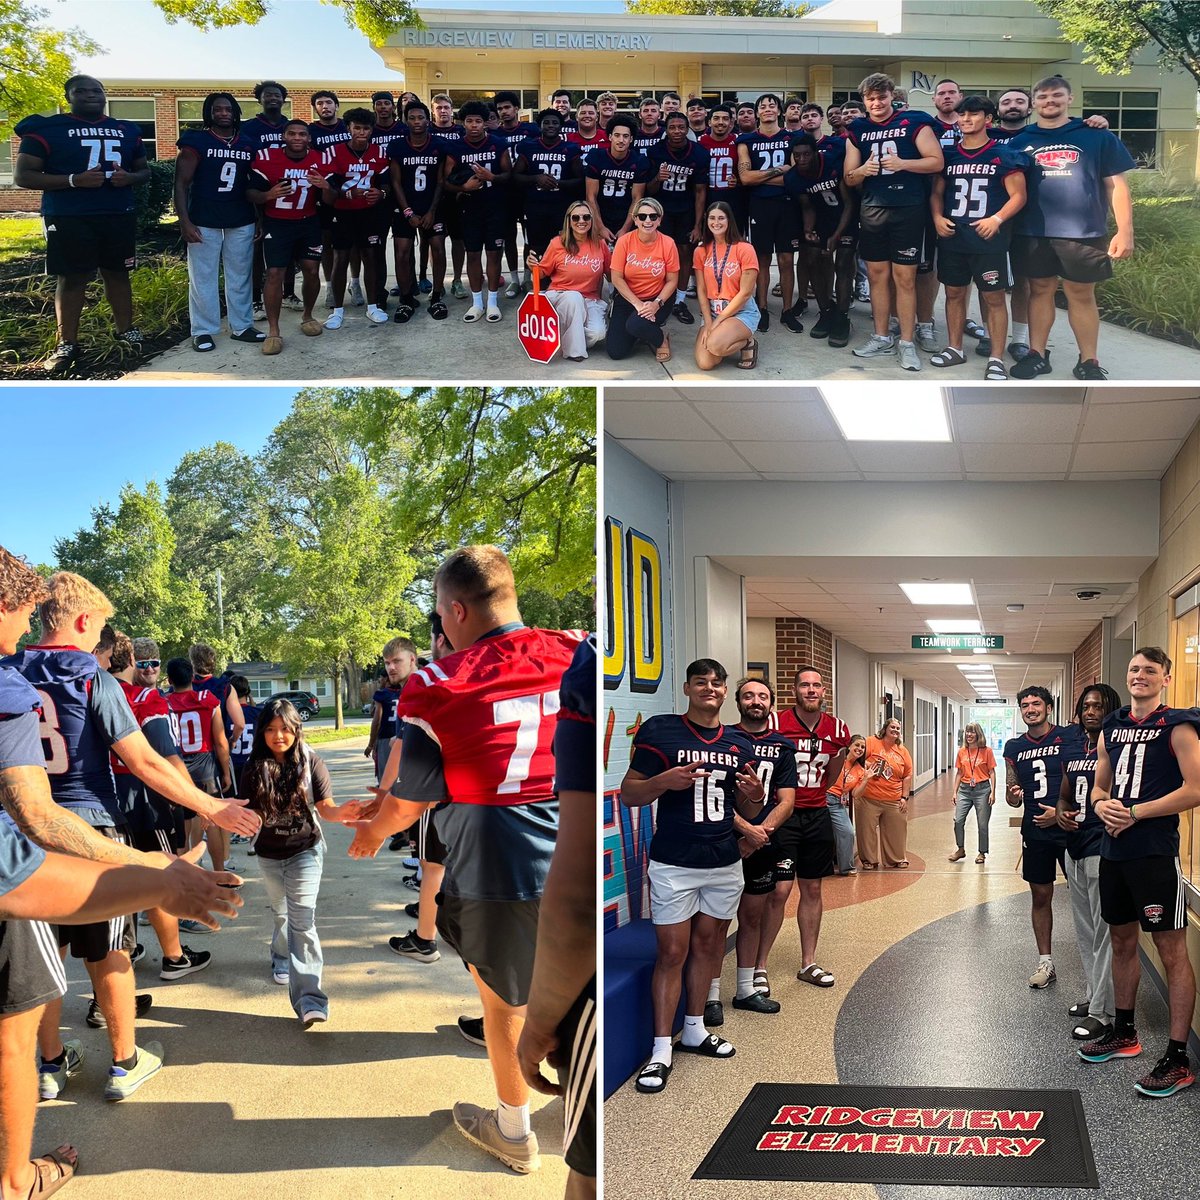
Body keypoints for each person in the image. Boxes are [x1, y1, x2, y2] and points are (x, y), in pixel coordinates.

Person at [0, 550, 241, 1200]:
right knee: (110, 953)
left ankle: (49, 1065)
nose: (105, 641)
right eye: (100, 628)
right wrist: (209, 807)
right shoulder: (91, 678)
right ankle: (126, 1063)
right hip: (88, 828)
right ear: (80, 623)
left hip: (21, 841)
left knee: (37, 967)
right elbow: (147, 763)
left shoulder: (8, 668)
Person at [345, 546, 585, 1174]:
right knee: (582, 989)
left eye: (440, 614)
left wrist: (372, 830)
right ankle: (583, 1112)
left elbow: (411, 802)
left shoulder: (435, 682)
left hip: (496, 864)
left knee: (505, 1004)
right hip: (579, 853)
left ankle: (513, 1128)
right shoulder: (576, 650)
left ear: (455, 609)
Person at [620, 659, 763, 1095]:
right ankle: (661, 1048)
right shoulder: (661, 730)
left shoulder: (739, 741)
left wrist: (755, 797)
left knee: (709, 946)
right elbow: (630, 793)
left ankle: (696, 1028)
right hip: (675, 862)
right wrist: (663, 780)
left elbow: (751, 810)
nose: (709, 688)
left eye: (717, 683)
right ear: (687, 688)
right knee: (671, 952)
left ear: (724, 692)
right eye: (700, 681)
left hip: (723, 860)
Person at [1081, 649, 1200, 1098]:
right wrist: (1099, 804)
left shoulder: (1179, 726)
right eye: (1134, 669)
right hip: (1113, 851)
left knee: (1171, 950)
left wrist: (1136, 812)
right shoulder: (1111, 726)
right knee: (1121, 940)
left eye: (1150, 670)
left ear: (1166, 679)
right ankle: (1125, 1033)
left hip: (1153, 853)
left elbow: (1196, 789)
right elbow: (1100, 783)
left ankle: (1177, 1057)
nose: (1140, 676)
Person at [516, 634, 597, 1199]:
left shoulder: (585, 670)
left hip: (587, 993)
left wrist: (539, 1023)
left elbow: (576, 899)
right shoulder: (582, 657)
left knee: (591, 1173)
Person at [14, 75, 149, 376]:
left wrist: (130, 178)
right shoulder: (47, 129)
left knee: (118, 272)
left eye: (96, 90)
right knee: (72, 277)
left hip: (117, 212)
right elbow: (23, 177)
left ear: (104, 95)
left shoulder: (126, 130)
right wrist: (74, 180)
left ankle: (126, 329)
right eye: (81, 91)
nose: (90, 95)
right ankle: (67, 343)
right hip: (69, 215)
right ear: (68, 96)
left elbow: (143, 170)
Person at [1009, 74, 1136, 381]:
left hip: (1084, 231)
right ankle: (1037, 354)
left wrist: (1125, 230)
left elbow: (1116, 185)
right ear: (1033, 103)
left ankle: (1089, 360)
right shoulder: (1020, 140)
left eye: (1056, 96)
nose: (1049, 101)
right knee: (1039, 291)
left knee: (1081, 294)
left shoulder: (1098, 136)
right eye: (1042, 97)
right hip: (1033, 231)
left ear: (1070, 99)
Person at [242, 697, 348, 1026]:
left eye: (285, 729)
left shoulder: (311, 761)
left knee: (302, 921)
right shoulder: (251, 767)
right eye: (271, 729)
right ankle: (279, 956)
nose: (279, 736)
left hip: (305, 850)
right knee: (281, 914)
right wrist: (219, 814)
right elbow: (250, 813)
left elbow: (327, 807)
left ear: (296, 730)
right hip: (269, 854)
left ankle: (310, 999)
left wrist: (346, 814)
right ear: (262, 733)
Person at [843, 72, 943, 371]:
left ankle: (907, 342)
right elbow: (849, 177)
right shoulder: (857, 129)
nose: (876, 103)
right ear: (864, 101)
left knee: (905, 279)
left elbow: (936, 161)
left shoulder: (913, 121)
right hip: (873, 208)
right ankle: (881, 336)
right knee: (876, 277)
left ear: (891, 97)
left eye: (881, 97)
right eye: (870, 98)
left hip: (908, 208)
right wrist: (863, 170)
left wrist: (903, 164)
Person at [711, 676, 796, 1017]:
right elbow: (715, 796)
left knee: (752, 917)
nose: (755, 701)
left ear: (771, 704)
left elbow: (786, 800)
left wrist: (758, 834)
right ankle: (711, 994)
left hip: (762, 842)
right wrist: (744, 831)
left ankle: (745, 989)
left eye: (762, 696)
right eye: (748, 695)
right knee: (715, 922)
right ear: (738, 701)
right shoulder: (722, 740)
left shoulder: (782, 746)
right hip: (723, 839)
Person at [929, 95, 1029, 380]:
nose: (966, 119)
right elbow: (936, 193)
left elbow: (1019, 196)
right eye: (962, 115)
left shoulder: (1003, 154)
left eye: (973, 114)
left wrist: (996, 218)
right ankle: (955, 348)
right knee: (953, 293)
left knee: (994, 297)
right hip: (953, 236)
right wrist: (937, 217)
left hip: (988, 239)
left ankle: (996, 357)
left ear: (988, 119)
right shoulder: (948, 156)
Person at [776, 667, 850, 987]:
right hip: (784, 813)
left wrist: (817, 794)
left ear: (824, 692)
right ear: (795, 690)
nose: (811, 690)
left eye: (816, 686)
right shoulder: (777, 723)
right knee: (778, 891)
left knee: (813, 888)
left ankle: (808, 961)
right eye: (804, 685)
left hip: (816, 813)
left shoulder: (837, 728)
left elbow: (833, 772)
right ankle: (759, 967)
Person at [174, 92, 263, 353]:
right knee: (203, 276)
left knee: (240, 275)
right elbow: (181, 183)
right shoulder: (196, 141)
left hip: (241, 216)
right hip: (204, 216)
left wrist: (259, 217)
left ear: (235, 113)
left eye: (228, 109)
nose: (223, 113)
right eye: (217, 109)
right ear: (209, 113)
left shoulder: (247, 142)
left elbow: (254, 183)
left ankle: (242, 326)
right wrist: (184, 221)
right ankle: (202, 330)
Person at [1056, 683, 1121, 1041]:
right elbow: (1066, 792)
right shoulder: (1073, 743)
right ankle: (1094, 995)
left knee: (1103, 931)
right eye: (1086, 706)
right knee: (1083, 930)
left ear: (1110, 709)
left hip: (1103, 842)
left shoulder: (1117, 743)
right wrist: (1063, 813)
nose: (1091, 711)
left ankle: (1104, 1012)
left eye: (1098, 706)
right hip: (1075, 845)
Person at [1003, 685, 1071, 988]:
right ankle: (1046, 962)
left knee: (1084, 897)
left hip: (1070, 828)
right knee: (1041, 895)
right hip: (1035, 831)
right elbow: (1012, 798)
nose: (1031, 709)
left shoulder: (1068, 737)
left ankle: (1099, 964)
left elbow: (1083, 778)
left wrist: (1058, 812)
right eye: (1025, 705)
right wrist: (1012, 793)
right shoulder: (1014, 747)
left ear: (1048, 707)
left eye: (1036, 704)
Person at [245, 120, 330, 355]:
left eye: (302, 134)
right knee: (274, 273)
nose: (297, 138)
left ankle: (307, 315)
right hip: (277, 222)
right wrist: (267, 194)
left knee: (312, 271)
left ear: (309, 138)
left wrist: (325, 186)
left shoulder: (321, 159)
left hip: (308, 221)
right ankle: (274, 330)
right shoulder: (267, 158)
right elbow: (250, 192)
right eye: (292, 133)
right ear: (284, 135)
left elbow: (332, 198)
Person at [320, 107, 392, 331]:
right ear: (348, 128)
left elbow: (385, 183)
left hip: (369, 212)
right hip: (342, 212)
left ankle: (372, 306)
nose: (362, 132)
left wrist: (381, 194)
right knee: (341, 258)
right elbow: (329, 186)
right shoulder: (333, 152)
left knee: (370, 256)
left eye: (366, 128)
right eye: (357, 127)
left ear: (372, 130)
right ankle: (338, 309)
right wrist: (345, 193)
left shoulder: (379, 152)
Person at [736, 92, 800, 333]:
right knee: (761, 259)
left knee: (786, 259)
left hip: (786, 205)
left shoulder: (792, 138)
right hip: (760, 206)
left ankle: (787, 310)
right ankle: (762, 308)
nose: (768, 109)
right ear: (757, 112)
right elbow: (745, 177)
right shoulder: (747, 140)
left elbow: (794, 178)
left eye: (772, 105)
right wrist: (778, 171)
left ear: (779, 111)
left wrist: (760, 178)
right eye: (763, 106)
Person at [786, 132, 857, 348]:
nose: (801, 160)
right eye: (796, 156)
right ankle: (826, 310)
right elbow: (807, 206)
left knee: (843, 264)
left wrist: (836, 236)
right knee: (812, 260)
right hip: (821, 219)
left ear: (816, 152)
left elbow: (850, 203)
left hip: (846, 218)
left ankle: (842, 317)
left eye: (806, 154)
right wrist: (808, 229)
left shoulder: (833, 163)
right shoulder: (793, 176)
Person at [443, 101, 511, 323]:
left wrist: (492, 178)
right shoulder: (456, 148)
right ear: (462, 123)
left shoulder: (498, 144)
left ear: (485, 123)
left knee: (493, 254)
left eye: (478, 121)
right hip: (469, 208)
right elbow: (445, 182)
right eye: (469, 121)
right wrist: (463, 188)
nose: (474, 125)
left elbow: (509, 175)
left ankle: (492, 302)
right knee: (472, 255)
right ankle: (476, 303)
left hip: (495, 206)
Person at [389, 101, 450, 323]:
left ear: (428, 119)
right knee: (402, 251)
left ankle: (436, 296)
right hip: (405, 205)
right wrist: (407, 212)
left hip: (432, 204)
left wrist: (432, 211)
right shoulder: (397, 146)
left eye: (420, 117)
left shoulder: (439, 144)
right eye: (412, 118)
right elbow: (395, 182)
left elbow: (441, 181)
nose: (416, 122)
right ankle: (406, 299)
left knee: (438, 248)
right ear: (406, 120)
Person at [646, 112, 709, 324]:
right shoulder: (655, 151)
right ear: (666, 129)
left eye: (681, 127)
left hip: (686, 210)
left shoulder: (699, 153)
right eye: (672, 127)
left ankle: (679, 301)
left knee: (685, 254)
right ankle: (659, 298)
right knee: (660, 256)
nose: (677, 132)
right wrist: (658, 178)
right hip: (661, 210)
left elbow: (700, 191)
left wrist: (698, 225)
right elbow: (649, 189)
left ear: (687, 128)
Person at [527, 202, 611, 362]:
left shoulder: (600, 244)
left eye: (586, 217)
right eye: (576, 217)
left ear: (592, 220)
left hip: (590, 299)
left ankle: (561, 338)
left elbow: (611, 273)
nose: (581, 221)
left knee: (598, 333)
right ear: (569, 220)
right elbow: (542, 273)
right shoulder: (557, 243)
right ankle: (574, 351)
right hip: (561, 297)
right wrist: (533, 267)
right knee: (574, 297)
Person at [607, 197, 679, 363]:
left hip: (658, 298)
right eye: (642, 216)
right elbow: (616, 278)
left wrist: (656, 304)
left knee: (635, 324)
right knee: (615, 352)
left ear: (659, 220)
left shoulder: (668, 243)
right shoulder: (624, 241)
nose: (648, 220)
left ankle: (661, 340)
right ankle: (641, 329)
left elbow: (672, 281)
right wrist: (638, 304)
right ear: (635, 219)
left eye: (653, 216)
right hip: (628, 298)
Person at [692, 200, 759, 371]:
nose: (716, 222)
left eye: (721, 218)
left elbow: (745, 293)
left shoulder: (745, 249)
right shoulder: (701, 251)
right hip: (713, 311)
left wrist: (716, 324)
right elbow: (701, 289)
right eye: (712, 218)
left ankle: (747, 342)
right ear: (706, 221)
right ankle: (724, 339)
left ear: (729, 220)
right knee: (705, 364)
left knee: (714, 345)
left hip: (740, 311)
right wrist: (708, 322)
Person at [513, 109, 585, 262]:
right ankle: (538, 282)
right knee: (535, 246)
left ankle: (560, 282)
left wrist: (558, 183)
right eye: (546, 122)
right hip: (535, 206)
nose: (551, 126)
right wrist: (536, 178)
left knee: (562, 246)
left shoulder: (571, 148)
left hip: (561, 207)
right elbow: (516, 176)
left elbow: (580, 180)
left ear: (561, 126)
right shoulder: (529, 147)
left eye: (555, 123)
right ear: (540, 126)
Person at [855, 717, 913, 870]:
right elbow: (856, 758)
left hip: (893, 798)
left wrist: (904, 797)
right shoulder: (871, 742)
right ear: (885, 728)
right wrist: (868, 765)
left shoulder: (902, 751)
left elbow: (907, 774)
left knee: (897, 830)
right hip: (868, 797)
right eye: (892, 727)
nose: (895, 730)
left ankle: (897, 859)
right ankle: (869, 860)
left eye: (898, 728)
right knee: (866, 831)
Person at [586, 115, 652, 246]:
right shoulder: (596, 157)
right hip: (601, 214)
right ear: (610, 137)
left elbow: (637, 198)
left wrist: (625, 229)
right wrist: (600, 227)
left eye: (625, 136)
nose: (621, 140)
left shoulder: (639, 160)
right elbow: (590, 197)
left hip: (626, 215)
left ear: (631, 139)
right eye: (617, 135)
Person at [365, 638, 417, 783]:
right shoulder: (407, 690)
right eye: (387, 663)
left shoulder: (420, 687)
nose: (391, 668)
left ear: (412, 659)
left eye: (397, 661)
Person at [948, 722, 996, 864]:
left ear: (978, 734)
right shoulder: (962, 751)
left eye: (972, 732)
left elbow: (992, 772)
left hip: (983, 790)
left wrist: (993, 792)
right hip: (964, 789)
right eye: (967, 732)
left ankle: (982, 852)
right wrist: (954, 792)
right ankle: (960, 849)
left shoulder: (987, 751)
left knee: (982, 824)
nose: (969, 734)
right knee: (958, 821)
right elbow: (959, 773)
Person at [825, 733, 866, 875]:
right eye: (857, 745)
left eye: (862, 747)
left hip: (837, 802)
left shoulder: (860, 770)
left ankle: (846, 868)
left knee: (848, 832)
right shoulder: (836, 759)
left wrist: (866, 779)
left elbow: (855, 794)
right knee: (821, 834)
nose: (860, 749)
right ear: (849, 746)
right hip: (822, 798)